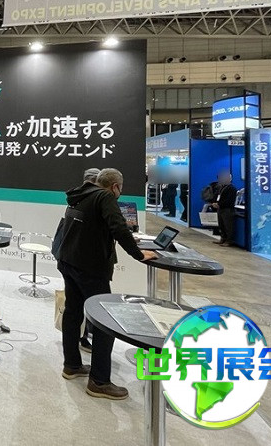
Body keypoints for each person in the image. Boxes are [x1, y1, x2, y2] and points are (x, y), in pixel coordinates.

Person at [56, 168, 156, 401]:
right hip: (90, 267)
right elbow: (118, 228)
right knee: (104, 322)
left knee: (73, 313)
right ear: (115, 187)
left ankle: (71, 365)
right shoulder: (105, 197)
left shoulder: (80, 195)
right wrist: (139, 254)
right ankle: (99, 381)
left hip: (68, 260)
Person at [78, 167, 100, 353]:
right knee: (95, 302)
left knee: (75, 304)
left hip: (72, 258)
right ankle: (84, 335)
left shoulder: (75, 196)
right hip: (89, 261)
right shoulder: (99, 199)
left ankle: (72, 359)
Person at [213, 170, 237, 247]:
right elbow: (218, 197)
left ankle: (229, 240)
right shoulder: (222, 188)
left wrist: (219, 204)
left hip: (227, 209)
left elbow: (229, 200)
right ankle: (223, 238)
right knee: (221, 225)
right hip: (220, 209)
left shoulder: (232, 189)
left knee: (228, 226)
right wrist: (216, 203)